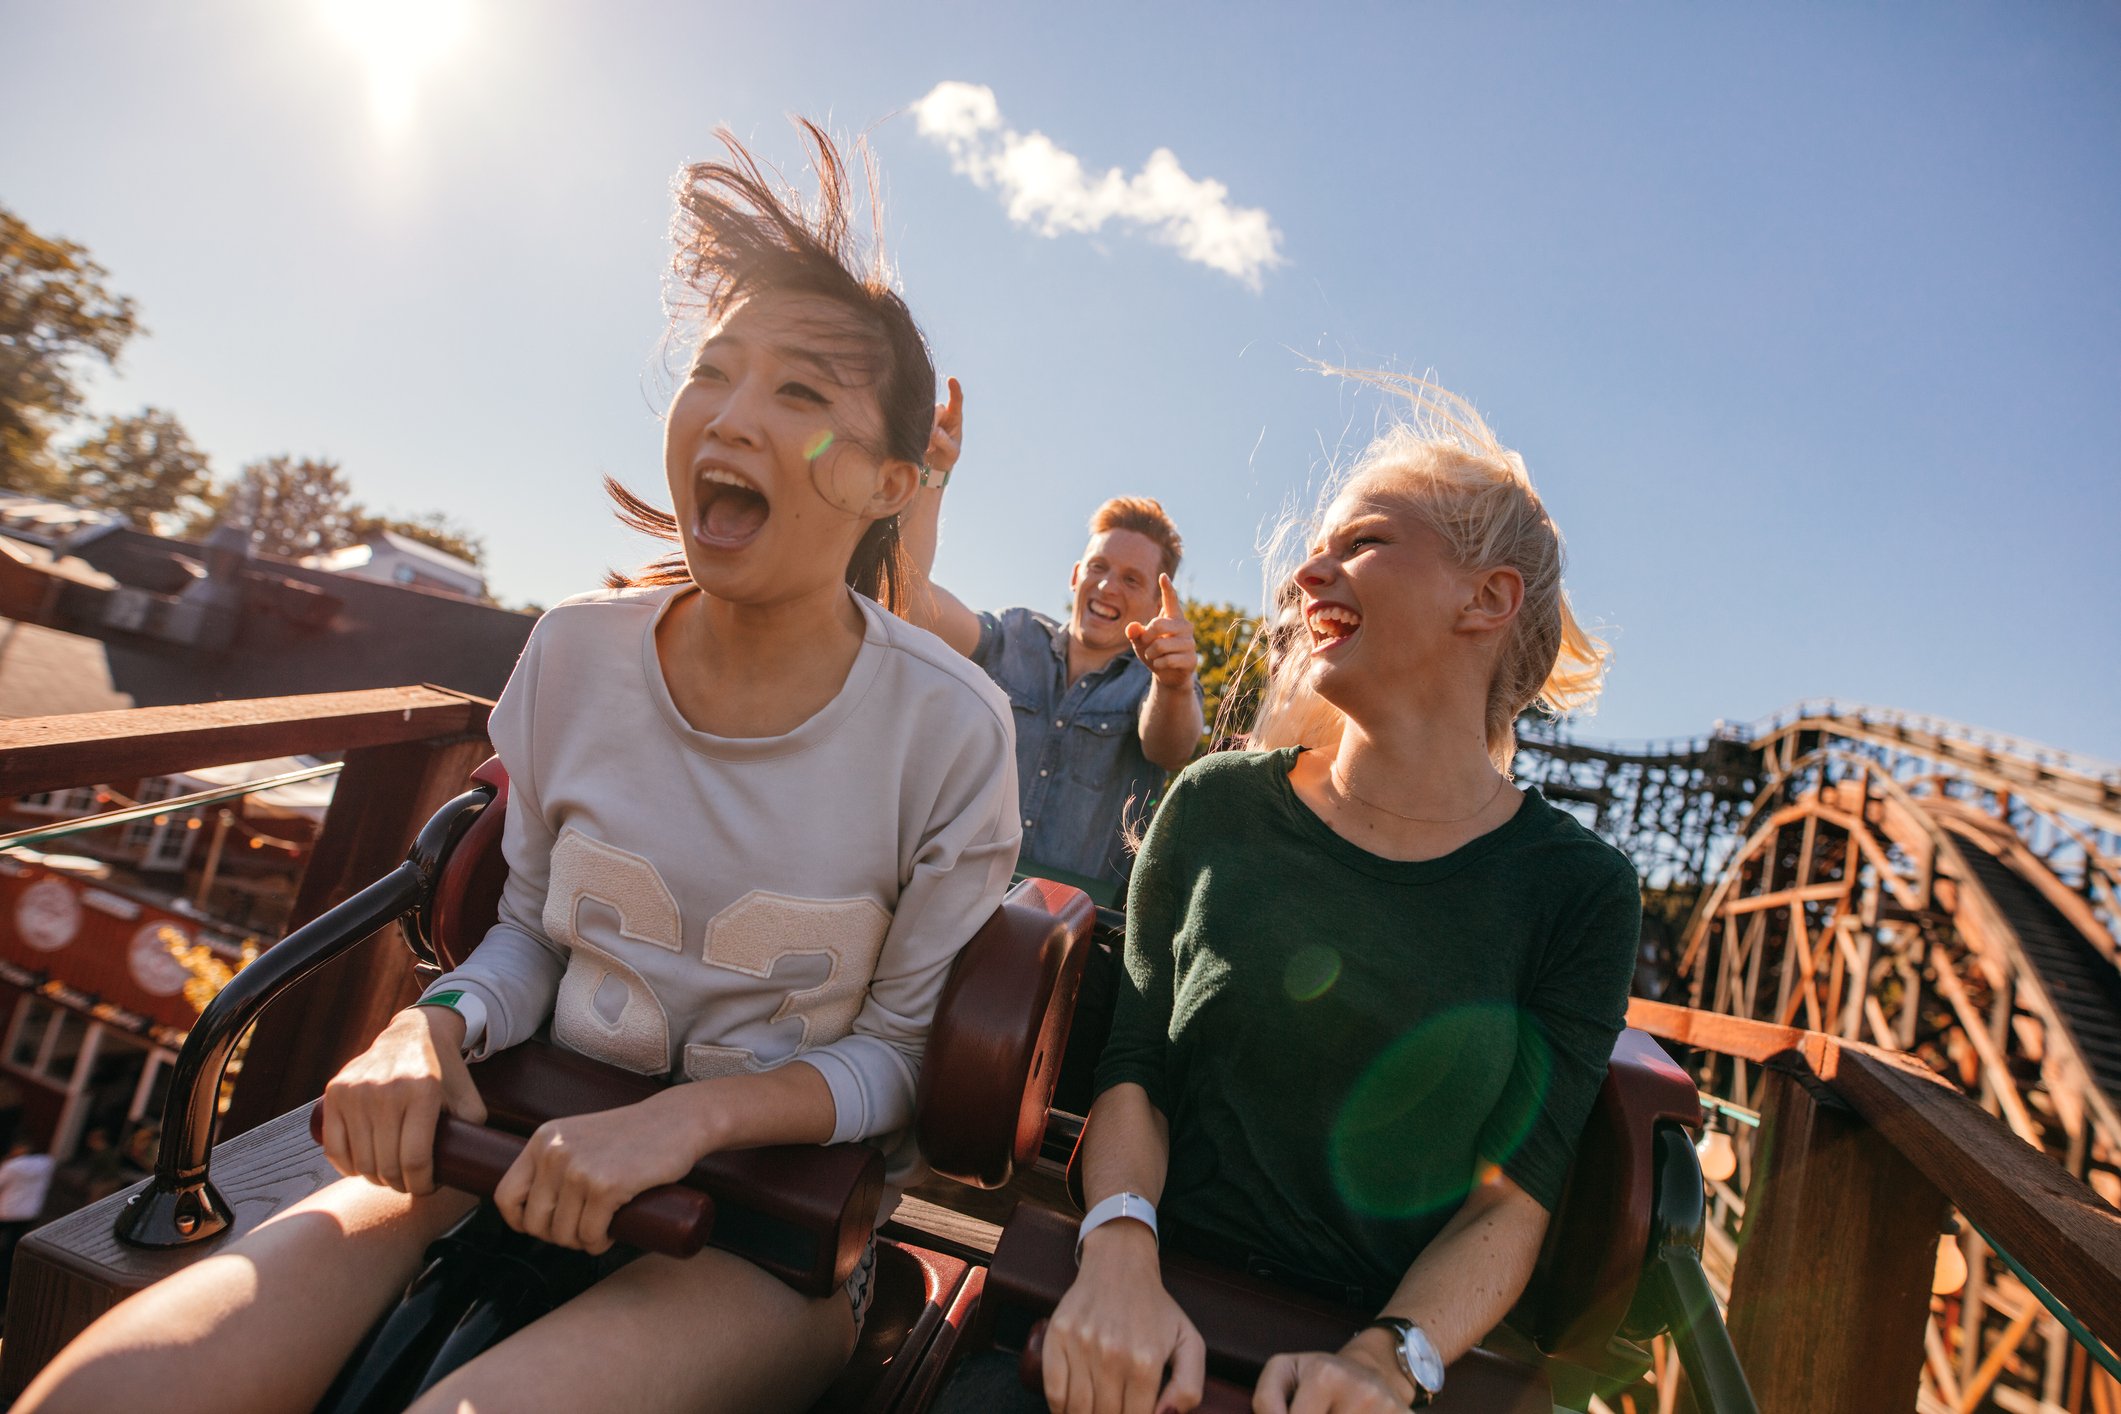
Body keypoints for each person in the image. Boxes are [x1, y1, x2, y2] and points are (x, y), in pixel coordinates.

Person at [21, 122, 1019, 1414]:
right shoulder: (574, 651)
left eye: (800, 394)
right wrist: (423, 1025)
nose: (729, 412)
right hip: (507, 1133)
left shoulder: (949, 727)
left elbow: (897, 1062)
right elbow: (534, 939)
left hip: (766, 1232)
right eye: (715, 370)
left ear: (891, 479)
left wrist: (692, 1119)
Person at [949, 375, 1638, 1414]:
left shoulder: (1580, 891)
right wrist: (1121, 1255)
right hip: (1141, 1309)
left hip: (1362, 1367)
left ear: (1487, 599)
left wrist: (1387, 1359)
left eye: (1362, 543)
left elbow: (1514, 1196)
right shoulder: (1221, 804)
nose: (1309, 571)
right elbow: (1138, 1067)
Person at [903, 401, 1203, 899]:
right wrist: (933, 473)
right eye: (1099, 567)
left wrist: (1172, 684)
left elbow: (1170, 748)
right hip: (951, 896)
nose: (1108, 586)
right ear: (1074, 575)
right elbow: (912, 604)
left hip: (1074, 931)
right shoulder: (1016, 634)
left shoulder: (1158, 680)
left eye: (1131, 579)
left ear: (1155, 603)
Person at [0, 1139, 56, 1296]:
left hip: (7, 1210)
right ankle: (8, 1275)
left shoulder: (12, 1166)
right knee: (14, 1244)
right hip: (29, 1211)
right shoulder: (46, 1163)